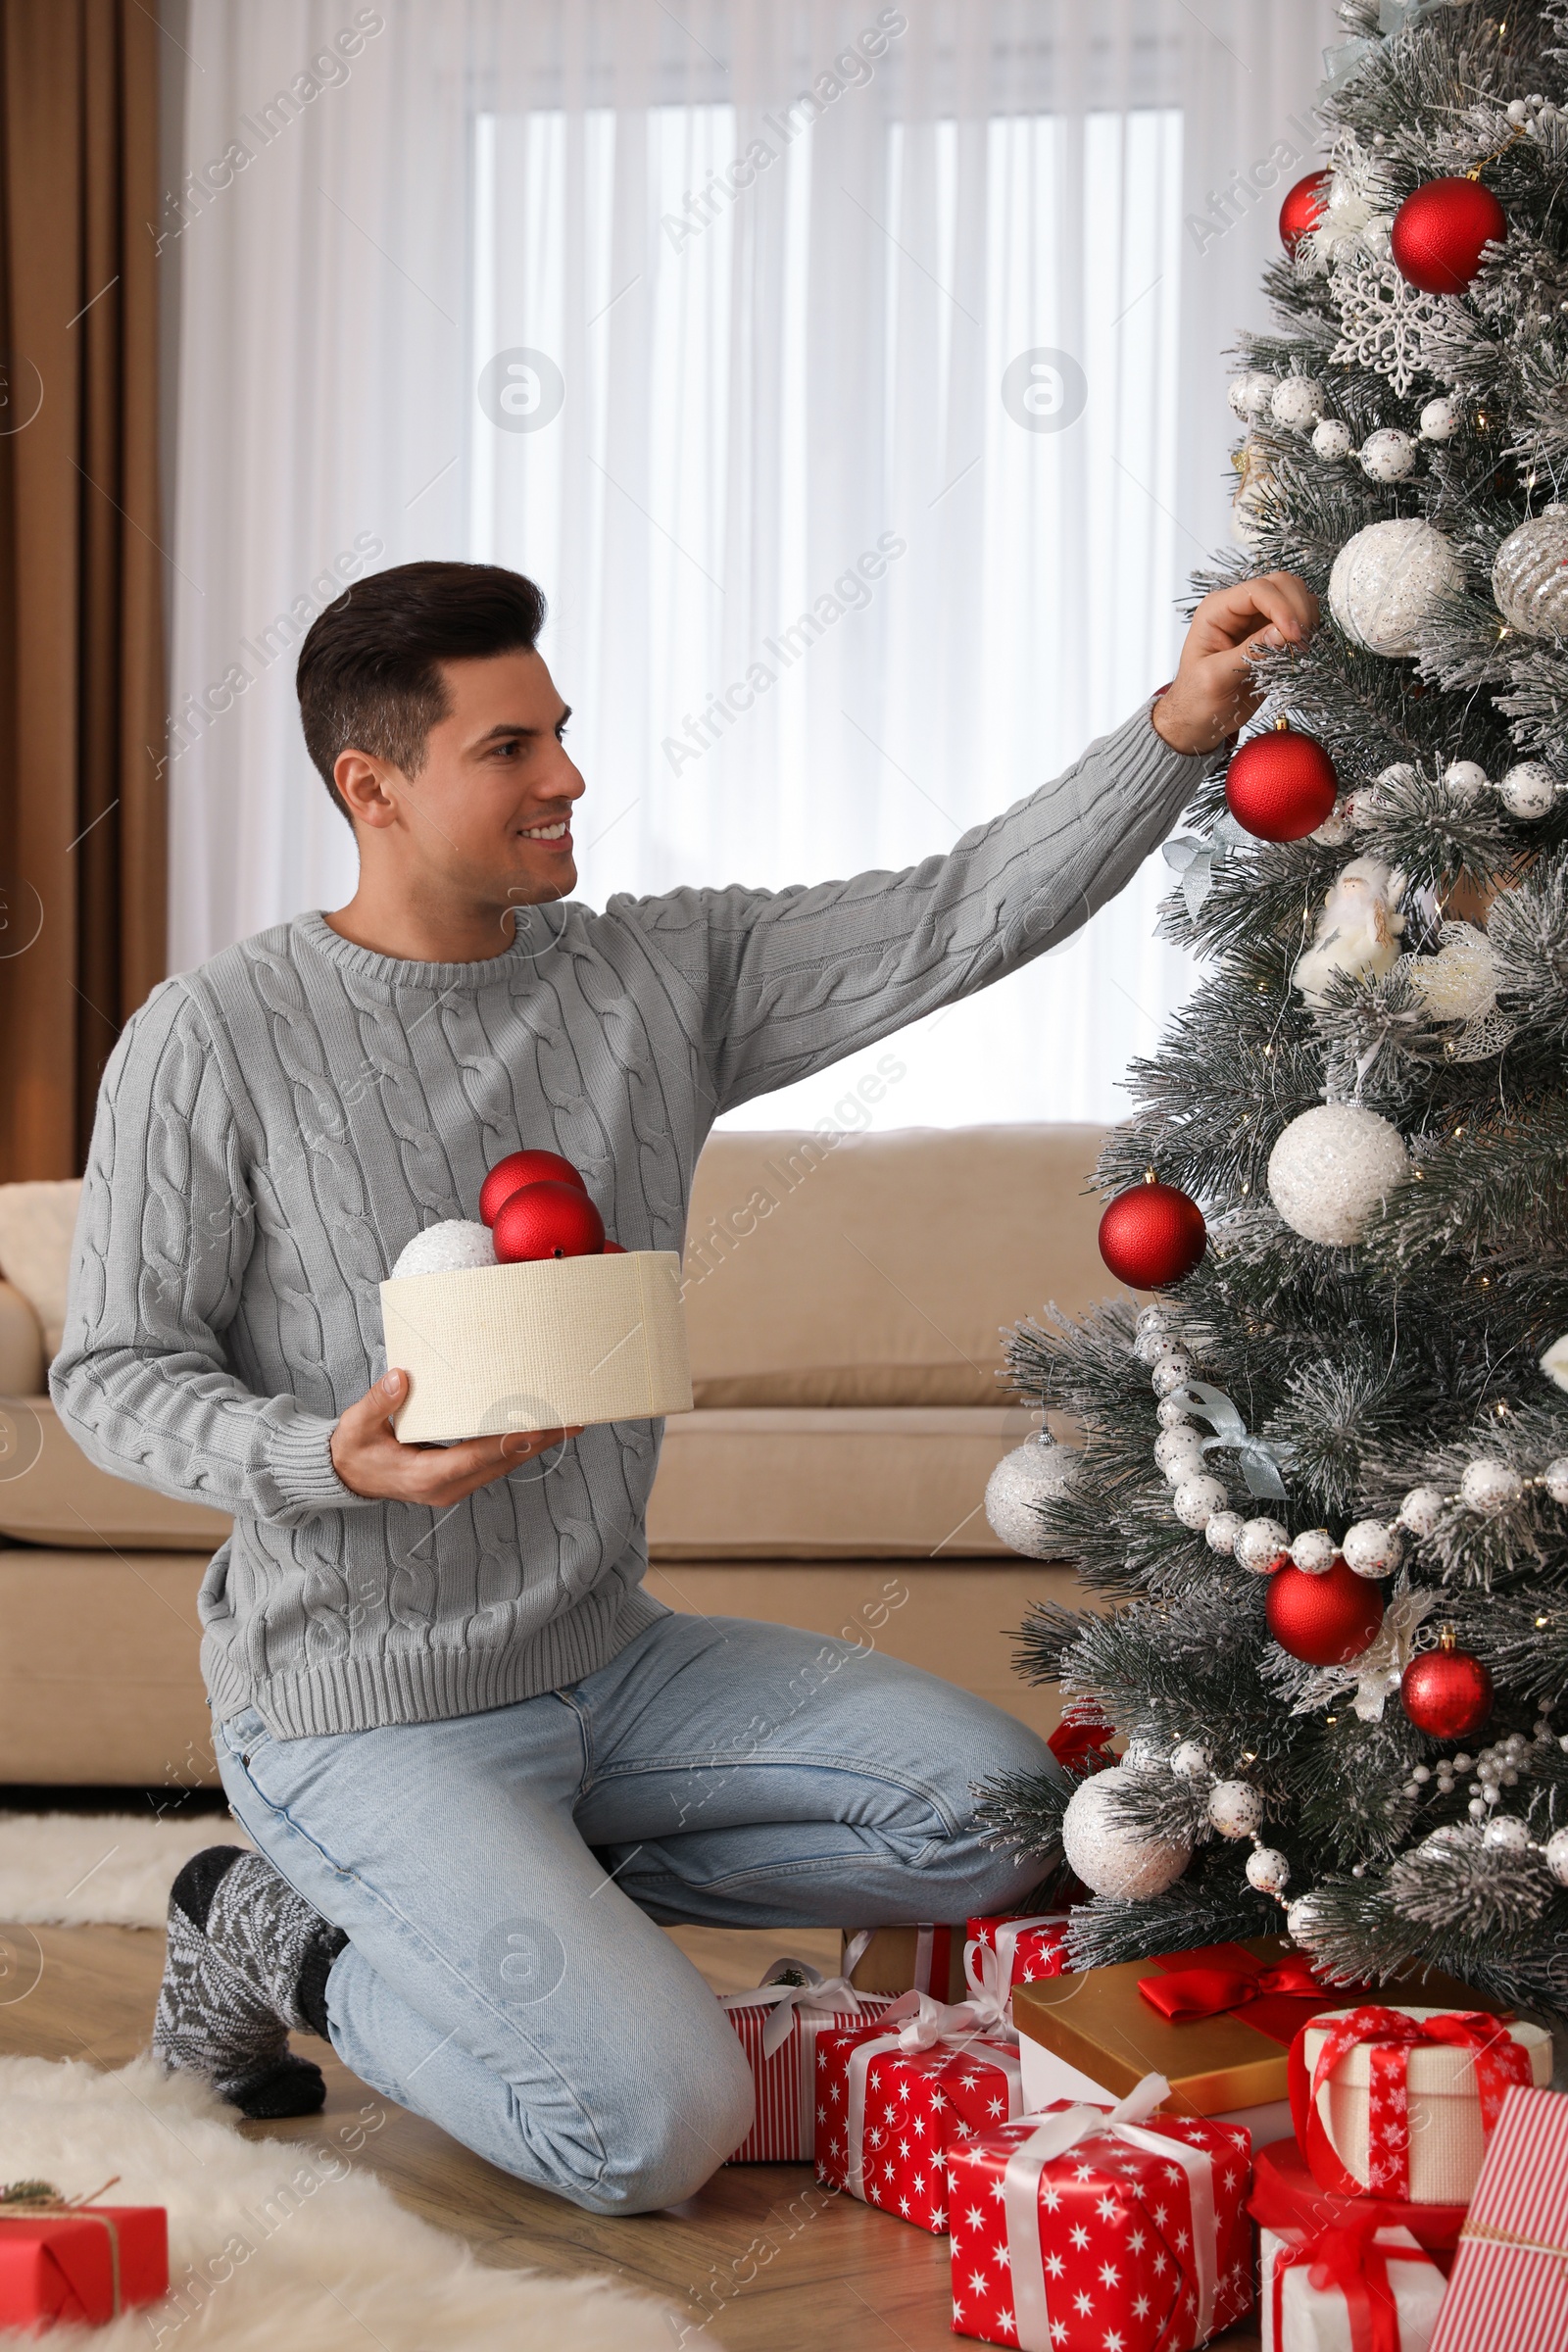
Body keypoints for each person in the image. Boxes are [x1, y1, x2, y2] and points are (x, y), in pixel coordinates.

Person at [52, 558, 1317, 2214]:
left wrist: (1174, 730)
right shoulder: (212, 1035)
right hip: (360, 1709)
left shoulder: (649, 978)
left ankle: (521, 1906)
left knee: (1017, 1818)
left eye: (561, 733)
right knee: (650, 2128)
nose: (568, 776)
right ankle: (280, 1936)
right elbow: (112, 1375)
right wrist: (328, 1458)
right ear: (372, 785)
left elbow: (953, 914)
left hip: (607, 1662)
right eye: (511, 748)